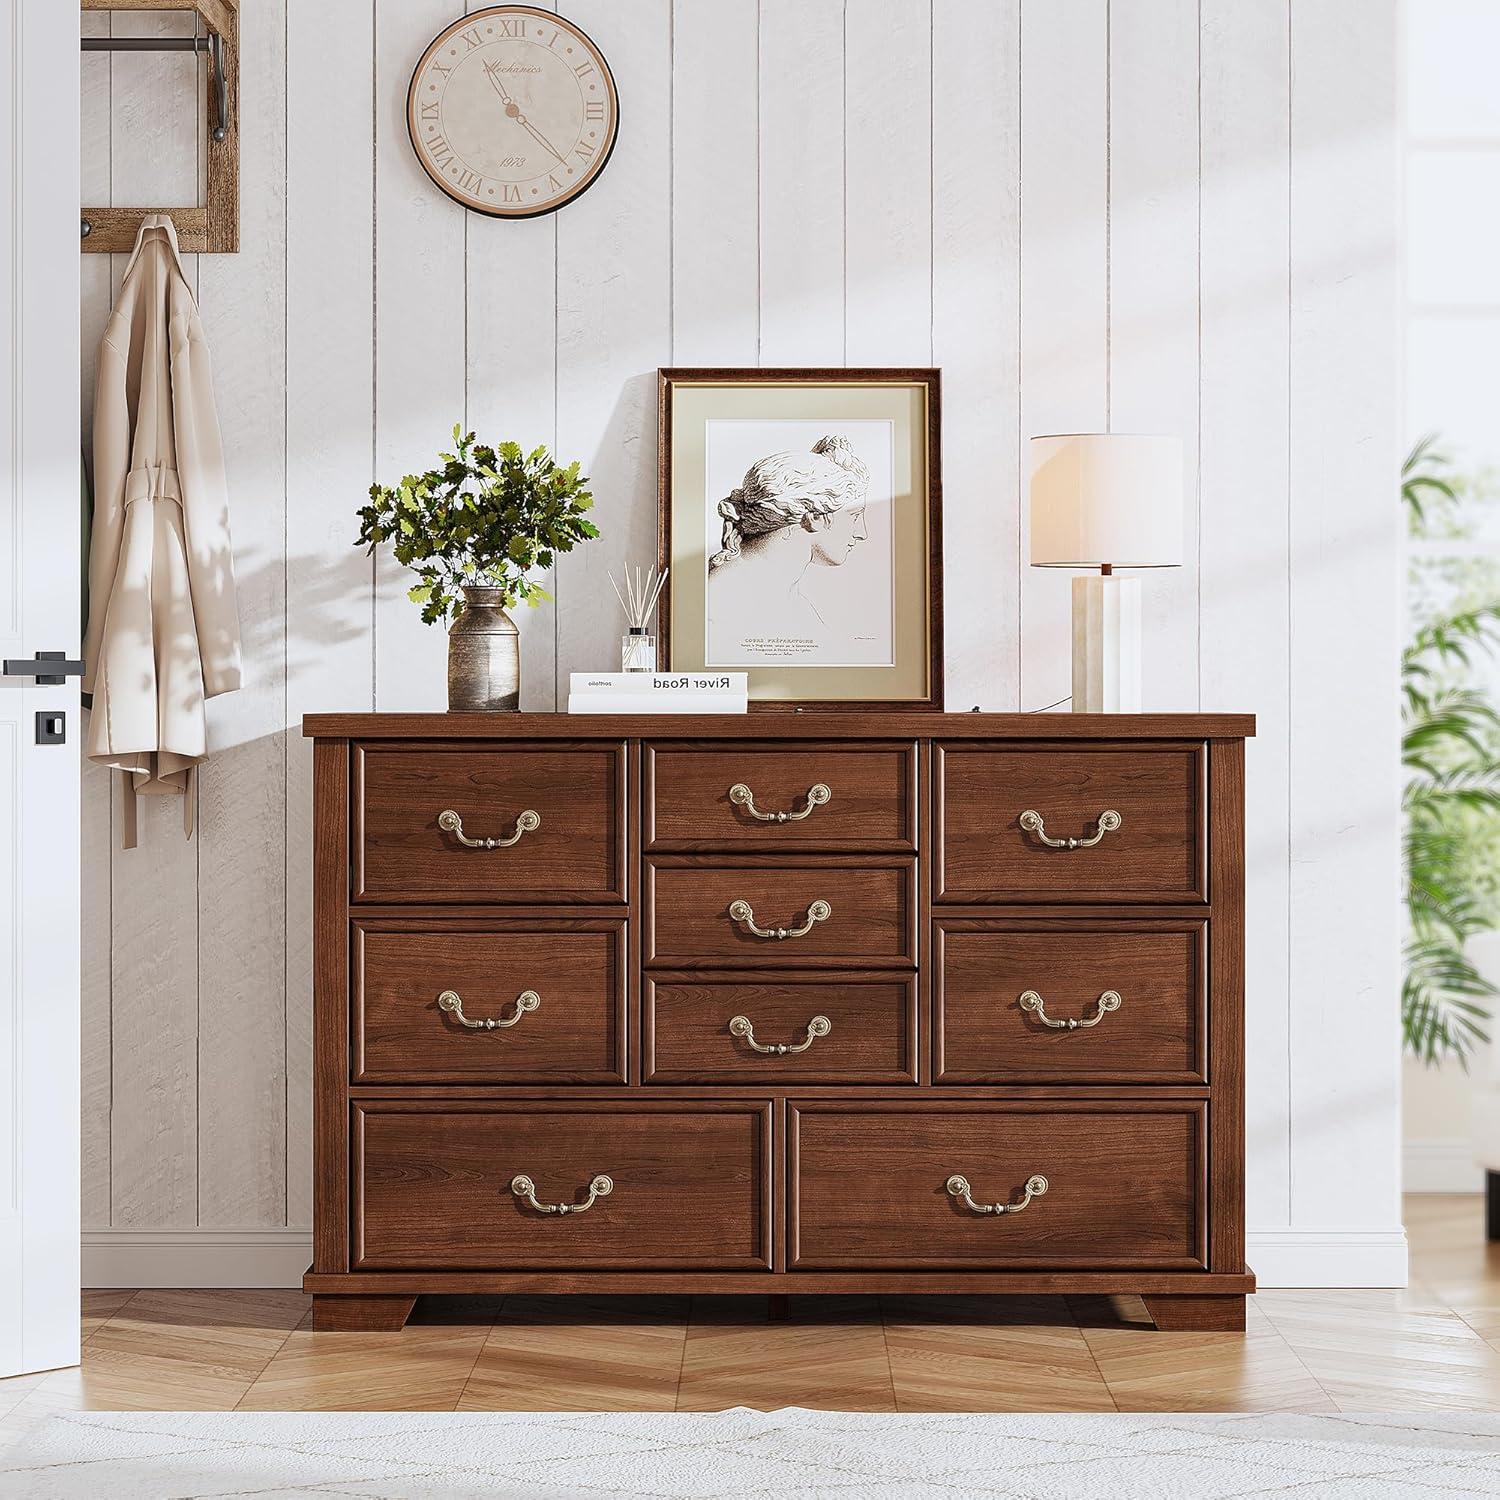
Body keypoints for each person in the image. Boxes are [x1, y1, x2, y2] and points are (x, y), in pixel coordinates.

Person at [707, 434, 869, 655]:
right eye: (854, 516)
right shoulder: (718, 606)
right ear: (815, 516)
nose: (862, 533)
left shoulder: (792, 602)